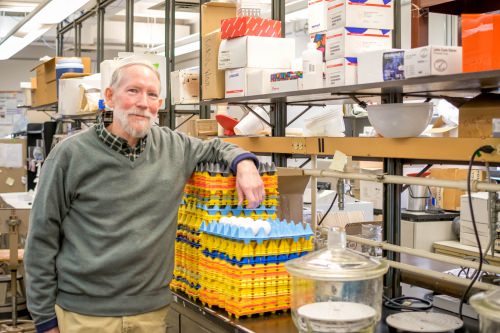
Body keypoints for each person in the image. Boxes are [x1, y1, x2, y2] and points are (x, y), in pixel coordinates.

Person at [24, 62, 264, 333]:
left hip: (151, 314)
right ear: (111, 97)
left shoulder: (174, 147)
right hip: (85, 315)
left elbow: (217, 147)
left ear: (159, 103)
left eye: (151, 95)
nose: (142, 102)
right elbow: (41, 239)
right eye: (133, 91)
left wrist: (245, 163)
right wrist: (44, 319)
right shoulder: (69, 155)